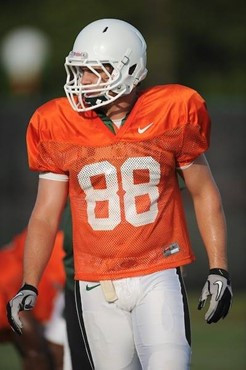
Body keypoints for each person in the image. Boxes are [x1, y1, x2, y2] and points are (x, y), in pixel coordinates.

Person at [6, 18, 232, 370]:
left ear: (126, 69)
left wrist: (219, 268)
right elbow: (45, 213)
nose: (80, 82)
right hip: (96, 282)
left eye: (91, 72)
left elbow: (204, 193)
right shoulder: (56, 123)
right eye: (79, 72)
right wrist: (29, 283)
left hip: (158, 269)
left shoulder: (172, 111)